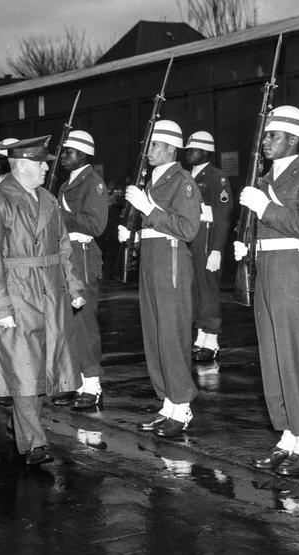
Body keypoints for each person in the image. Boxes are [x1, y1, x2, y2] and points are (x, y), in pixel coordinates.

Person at [0, 135, 85, 465]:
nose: (46, 167)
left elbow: (64, 247)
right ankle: (34, 443)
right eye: (40, 163)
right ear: (21, 165)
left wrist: (74, 287)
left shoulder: (49, 200)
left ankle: (20, 425)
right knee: (22, 368)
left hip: (49, 291)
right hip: (16, 289)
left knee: (42, 368)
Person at [234, 105, 299, 477]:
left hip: (295, 271)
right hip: (267, 270)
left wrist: (267, 208)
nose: (265, 142)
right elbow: (253, 223)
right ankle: (287, 435)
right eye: (265, 135)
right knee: (272, 357)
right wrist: (245, 244)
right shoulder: (260, 179)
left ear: (293, 138)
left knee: (295, 356)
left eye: (272, 135)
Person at [117, 120, 201, 438]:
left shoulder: (183, 181)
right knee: (153, 333)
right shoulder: (151, 179)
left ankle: (182, 405)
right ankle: (167, 402)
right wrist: (134, 232)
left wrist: (146, 208)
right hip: (152, 259)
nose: (148, 151)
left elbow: (187, 228)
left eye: (154, 145)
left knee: (171, 332)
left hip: (172, 260)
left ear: (169, 148)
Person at [48, 130, 108, 410]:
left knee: (84, 321)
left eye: (68, 152)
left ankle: (93, 384)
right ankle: (77, 382)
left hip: (81, 255)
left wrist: (59, 215)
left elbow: (96, 225)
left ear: (83, 154)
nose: (62, 157)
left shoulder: (92, 183)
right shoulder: (66, 183)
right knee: (68, 321)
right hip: (65, 253)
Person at [184, 131, 233, 361]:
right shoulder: (186, 176)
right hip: (190, 236)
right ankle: (200, 336)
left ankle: (212, 340)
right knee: (194, 288)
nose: (188, 152)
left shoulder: (217, 177)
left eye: (193, 149)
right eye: (187, 148)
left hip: (206, 237)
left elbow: (223, 216)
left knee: (208, 288)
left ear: (206, 151)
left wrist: (217, 249)